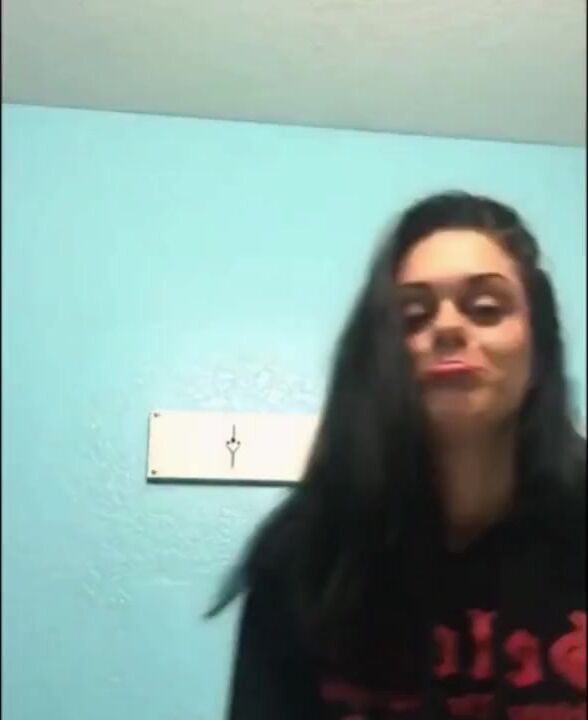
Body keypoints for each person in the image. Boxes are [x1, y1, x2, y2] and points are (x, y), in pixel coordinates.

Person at [208, 192, 586, 719]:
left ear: (539, 345)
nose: (448, 327)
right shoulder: (308, 557)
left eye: (485, 308)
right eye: (413, 316)